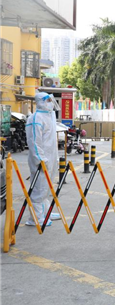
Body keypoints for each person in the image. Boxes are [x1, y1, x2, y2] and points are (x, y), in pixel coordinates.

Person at [25, 92, 61, 226]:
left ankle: (45, 212)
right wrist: (40, 159)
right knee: (39, 188)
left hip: (50, 157)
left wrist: (54, 158)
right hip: (41, 159)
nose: (51, 103)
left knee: (47, 187)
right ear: (40, 102)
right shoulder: (36, 118)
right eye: (48, 101)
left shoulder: (49, 116)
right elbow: (34, 141)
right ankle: (35, 218)